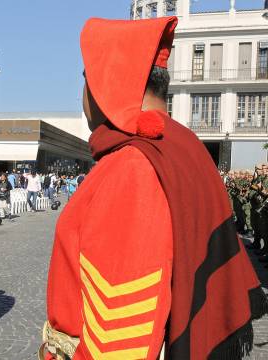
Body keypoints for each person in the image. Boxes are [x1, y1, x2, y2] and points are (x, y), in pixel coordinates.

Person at [43, 16, 267, 360]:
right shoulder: (184, 145)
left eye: (85, 79)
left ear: (106, 82)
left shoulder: (130, 166)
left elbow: (120, 333)